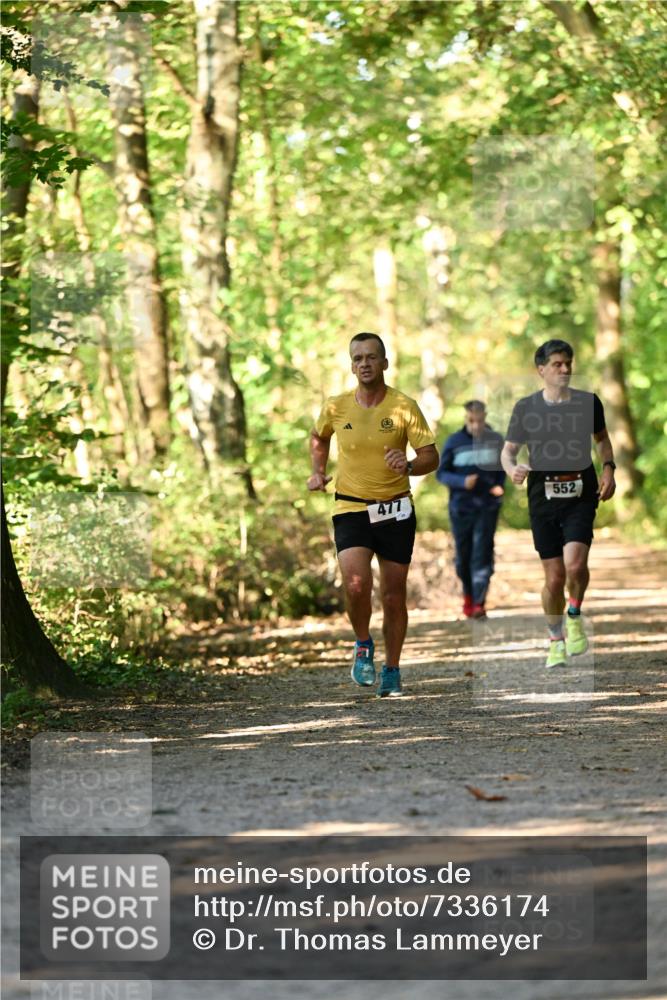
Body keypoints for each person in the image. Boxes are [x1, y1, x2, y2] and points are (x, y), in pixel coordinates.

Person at [307, 332, 438, 697]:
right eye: (358, 358)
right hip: (350, 505)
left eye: (371, 357)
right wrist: (318, 471)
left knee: (394, 595)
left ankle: (392, 669)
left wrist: (409, 465)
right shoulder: (336, 407)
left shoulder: (403, 406)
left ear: (384, 363)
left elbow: (431, 455)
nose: (364, 363)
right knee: (356, 583)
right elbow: (319, 437)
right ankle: (363, 644)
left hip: (395, 508)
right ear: (352, 365)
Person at [501, 339, 616, 668]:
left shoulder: (588, 403)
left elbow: (602, 440)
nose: (564, 368)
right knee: (553, 578)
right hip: (542, 495)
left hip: (580, 491)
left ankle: (575, 612)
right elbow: (508, 451)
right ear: (541, 370)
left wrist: (609, 468)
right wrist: (512, 469)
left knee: (575, 566)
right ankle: (555, 638)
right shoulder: (526, 408)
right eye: (557, 364)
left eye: (568, 363)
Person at [437, 400, 506, 619]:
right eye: (471, 421)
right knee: (463, 556)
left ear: (485, 417)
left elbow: (505, 466)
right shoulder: (454, 442)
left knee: (482, 553)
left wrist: (499, 485)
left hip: (487, 506)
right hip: (461, 507)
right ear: (465, 418)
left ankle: (479, 602)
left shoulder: (496, 440)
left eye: (480, 420)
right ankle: (467, 596)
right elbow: (441, 473)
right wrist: (461, 481)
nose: (476, 425)